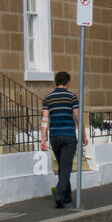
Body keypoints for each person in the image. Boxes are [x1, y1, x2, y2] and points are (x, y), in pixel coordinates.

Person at [41, 70, 86, 208]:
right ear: (67, 82)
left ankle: (67, 196)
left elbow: (44, 119)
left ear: (56, 82)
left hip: (54, 137)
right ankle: (59, 195)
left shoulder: (48, 98)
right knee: (66, 167)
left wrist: (43, 139)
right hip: (68, 136)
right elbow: (78, 117)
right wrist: (83, 134)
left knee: (62, 166)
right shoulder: (71, 97)